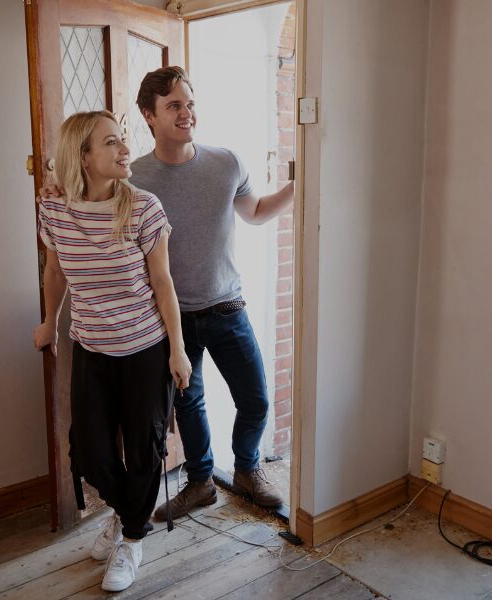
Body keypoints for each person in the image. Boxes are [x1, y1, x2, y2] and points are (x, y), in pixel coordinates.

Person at [33, 110, 191, 592]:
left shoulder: (144, 208)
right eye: (111, 143)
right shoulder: (54, 209)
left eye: (122, 140)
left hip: (146, 347)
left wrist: (177, 351)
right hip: (93, 349)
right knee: (92, 452)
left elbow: (163, 284)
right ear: (82, 156)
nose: (125, 150)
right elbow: (56, 272)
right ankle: (127, 514)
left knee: (144, 451)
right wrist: (49, 322)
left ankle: (133, 538)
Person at [132, 66, 294, 516]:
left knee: (257, 400)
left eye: (189, 103)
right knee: (189, 405)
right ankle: (201, 483)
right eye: (173, 106)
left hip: (227, 306)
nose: (186, 114)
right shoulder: (135, 180)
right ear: (149, 114)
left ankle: (246, 469)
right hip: (172, 318)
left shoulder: (226, 163)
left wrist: (300, 186)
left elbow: (256, 212)